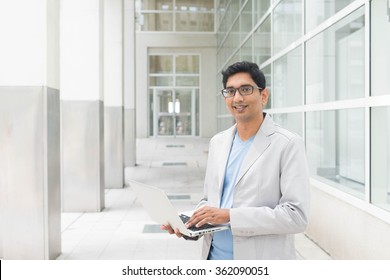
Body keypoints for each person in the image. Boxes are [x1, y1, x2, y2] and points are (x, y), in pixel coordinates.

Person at [161, 61, 310, 260]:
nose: (237, 98)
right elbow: (210, 200)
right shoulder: (218, 142)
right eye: (230, 91)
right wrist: (191, 224)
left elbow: (296, 216)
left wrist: (231, 216)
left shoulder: (287, 144)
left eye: (245, 89)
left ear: (263, 95)